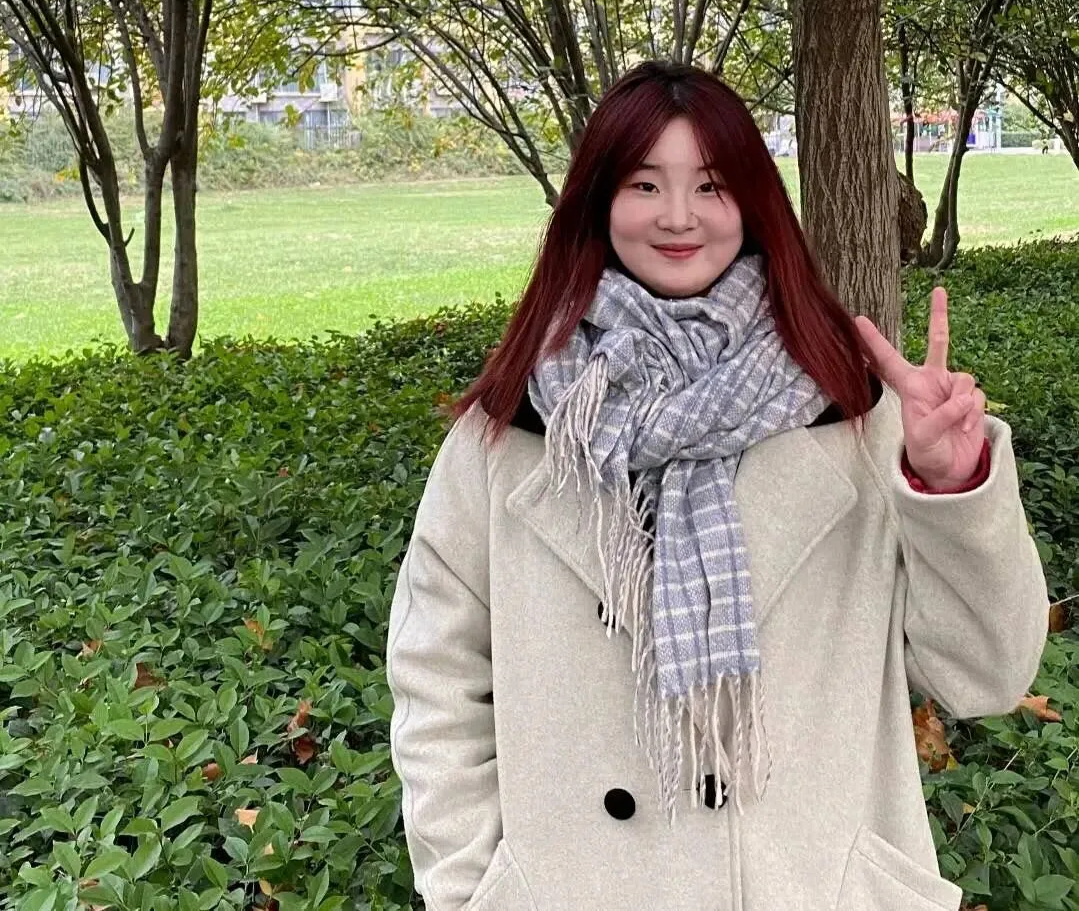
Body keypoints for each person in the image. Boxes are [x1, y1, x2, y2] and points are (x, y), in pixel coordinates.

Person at [385, 61, 1048, 911]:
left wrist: (950, 487)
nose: (677, 216)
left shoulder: (848, 415)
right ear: (596, 202)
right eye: (643, 184)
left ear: (753, 204)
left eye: (709, 184)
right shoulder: (513, 430)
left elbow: (986, 677)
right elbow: (436, 679)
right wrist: (476, 889)